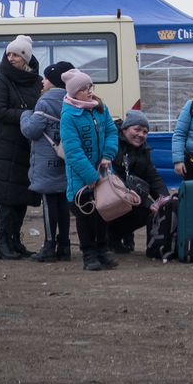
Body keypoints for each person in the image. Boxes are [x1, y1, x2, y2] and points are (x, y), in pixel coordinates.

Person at [59, 70, 119, 271]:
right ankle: (89, 254)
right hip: (81, 178)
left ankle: (102, 250)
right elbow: (72, 151)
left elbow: (111, 131)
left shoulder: (101, 108)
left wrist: (108, 154)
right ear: (74, 93)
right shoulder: (69, 116)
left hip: (102, 173)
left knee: (103, 213)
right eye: (83, 89)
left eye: (90, 87)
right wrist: (89, 175)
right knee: (85, 216)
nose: (89, 91)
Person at [0, 34, 42, 260]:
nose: (11, 58)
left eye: (17, 55)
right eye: (9, 54)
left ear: (26, 59)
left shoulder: (36, 81)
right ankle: (2, 243)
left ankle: (15, 241)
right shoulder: (1, 80)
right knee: (7, 198)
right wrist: (28, 115)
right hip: (8, 147)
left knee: (22, 196)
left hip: (28, 146)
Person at [20, 60, 74, 262]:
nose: (43, 81)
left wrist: (26, 114)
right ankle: (65, 246)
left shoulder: (45, 102)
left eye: (46, 78)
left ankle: (49, 246)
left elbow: (31, 130)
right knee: (63, 204)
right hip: (66, 160)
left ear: (54, 81)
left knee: (50, 204)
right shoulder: (73, 100)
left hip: (47, 162)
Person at [109, 110, 170, 253]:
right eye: (137, 129)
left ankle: (121, 236)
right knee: (145, 208)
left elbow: (153, 177)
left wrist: (165, 201)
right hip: (111, 194)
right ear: (125, 129)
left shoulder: (143, 151)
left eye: (145, 132)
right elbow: (115, 180)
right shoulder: (112, 145)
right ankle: (110, 237)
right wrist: (149, 204)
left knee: (152, 210)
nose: (141, 135)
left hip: (133, 194)